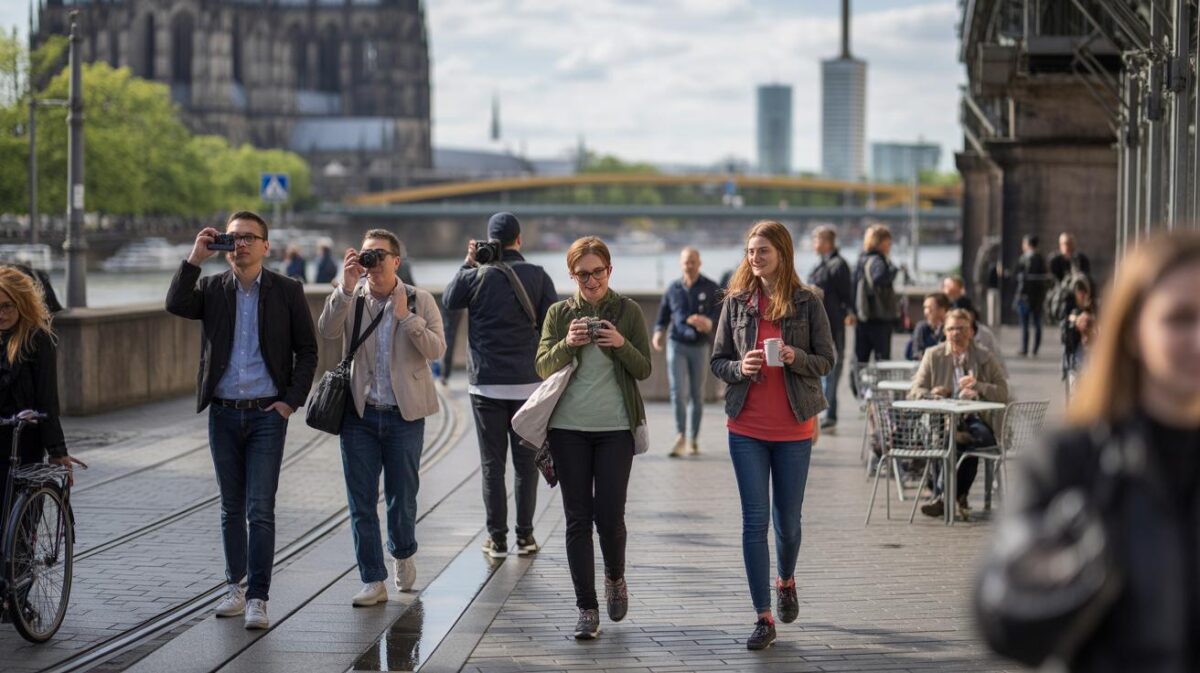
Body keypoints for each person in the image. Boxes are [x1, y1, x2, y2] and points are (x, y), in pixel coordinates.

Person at [976, 231, 1200, 671]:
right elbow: (1000, 619)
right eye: (1179, 319)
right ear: (1132, 329)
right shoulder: (1074, 458)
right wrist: (1073, 558)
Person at [166, 211, 319, 630]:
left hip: (268, 413)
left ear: (266, 246)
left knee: (260, 509)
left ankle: (258, 597)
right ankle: (234, 586)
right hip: (223, 412)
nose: (241, 244)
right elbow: (175, 303)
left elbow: (308, 350)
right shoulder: (212, 288)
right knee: (231, 507)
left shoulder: (287, 290)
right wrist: (195, 258)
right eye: (233, 238)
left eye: (250, 237)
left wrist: (290, 402)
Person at [710, 220, 835, 651]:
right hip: (745, 427)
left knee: (789, 524)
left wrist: (796, 355)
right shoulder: (736, 303)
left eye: (762, 250)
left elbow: (827, 359)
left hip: (794, 427)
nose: (755, 258)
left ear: (782, 252)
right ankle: (763, 616)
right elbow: (718, 360)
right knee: (754, 521)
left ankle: (786, 580)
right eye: (750, 251)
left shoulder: (808, 302)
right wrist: (738, 367)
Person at [317, 229, 445, 607]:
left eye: (378, 254)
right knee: (361, 502)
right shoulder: (351, 297)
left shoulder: (419, 300)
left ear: (395, 261)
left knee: (401, 498)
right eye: (365, 254)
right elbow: (327, 330)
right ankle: (372, 578)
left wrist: (406, 318)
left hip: (405, 416)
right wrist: (345, 287)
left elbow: (437, 349)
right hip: (359, 414)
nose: (371, 261)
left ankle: (402, 551)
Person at [536, 236, 650, 640]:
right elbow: (542, 366)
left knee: (611, 518)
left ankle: (615, 577)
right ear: (572, 275)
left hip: (616, 430)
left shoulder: (628, 311)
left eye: (597, 272)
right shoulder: (559, 313)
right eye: (582, 274)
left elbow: (644, 369)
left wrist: (620, 343)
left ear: (609, 270)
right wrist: (567, 344)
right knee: (577, 520)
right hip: (567, 430)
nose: (591, 280)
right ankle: (586, 607)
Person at [443, 212, 557, 559]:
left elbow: (448, 301)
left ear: (488, 241)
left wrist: (467, 263)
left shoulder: (476, 275)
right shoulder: (538, 276)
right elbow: (553, 323)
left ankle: (497, 539)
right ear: (519, 239)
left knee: (493, 466)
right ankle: (525, 537)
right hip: (528, 387)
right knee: (526, 466)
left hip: (486, 387)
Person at [910, 309, 1009, 521]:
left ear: (971, 331)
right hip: (942, 420)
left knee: (970, 440)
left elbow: (1003, 392)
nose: (956, 333)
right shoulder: (933, 355)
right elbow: (915, 390)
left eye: (961, 329)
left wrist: (978, 386)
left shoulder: (985, 357)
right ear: (944, 332)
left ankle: (944, 496)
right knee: (950, 439)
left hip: (977, 418)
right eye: (951, 329)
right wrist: (933, 393)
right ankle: (957, 496)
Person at [0, 268, 83, 490]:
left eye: (7, 306)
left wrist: (57, 451)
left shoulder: (37, 339)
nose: (1, 314)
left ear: (22, 303)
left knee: (17, 504)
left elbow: (47, 399)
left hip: (22, 441)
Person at [652, 247, 721, 456]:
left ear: (699, 263)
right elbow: (663, 315)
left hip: (699, 345)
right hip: (676, 343)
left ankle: (693, 438)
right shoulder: (673, 288)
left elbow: (719, 313)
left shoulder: (711, 287)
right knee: (677, 391)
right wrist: (658, 332)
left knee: (696, 394)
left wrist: (708, 323)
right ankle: (680, 435)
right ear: (681, 264)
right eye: (686, 262)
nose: (689, 265)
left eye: (693, 262)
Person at [807, 225, 854, 430]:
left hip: (833, 327)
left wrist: (848, 314)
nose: (813, 244)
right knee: (824, 371)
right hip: (818, 325)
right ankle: (824, 414)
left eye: (816, 240)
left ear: (826, 242)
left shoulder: (838, 265)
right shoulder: (821, 264)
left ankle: (829, 415)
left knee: (831, 370)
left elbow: (847, 296)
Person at [853, 224, 899, 363]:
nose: (890, 246)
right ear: (880, 242)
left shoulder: (861, 260)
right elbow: (879, 279)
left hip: (863, 316)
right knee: (882, 361)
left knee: (860, 360)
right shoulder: (878, 261)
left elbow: (852, 286)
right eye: (888, 242)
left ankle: (858, 379)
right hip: (879, 317)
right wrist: (892, 271)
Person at [1014, 235, 1050, 356]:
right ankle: (1034, 349)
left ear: (1028, 244)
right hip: (1037, 296)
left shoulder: (1025, 258)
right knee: (1036, 323)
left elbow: (1019, 277)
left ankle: (1025, 348)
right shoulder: (1040, 258)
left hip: (1026, 296)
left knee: (1026, 324)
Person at [1062, 276, 1097, 395]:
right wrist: (1076, 320)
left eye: (1084, 292)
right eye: (1079, 292)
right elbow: (1066, 319)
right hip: (1076, 349)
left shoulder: (1092, 306)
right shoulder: (1071, 305)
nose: (1082, 295)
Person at [906, 292, 950, 361]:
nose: (926, 311)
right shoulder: (922, 327)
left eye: (930, 308)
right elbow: (916, 351)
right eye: (925, 308)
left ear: (942, 309)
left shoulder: (951, 327)